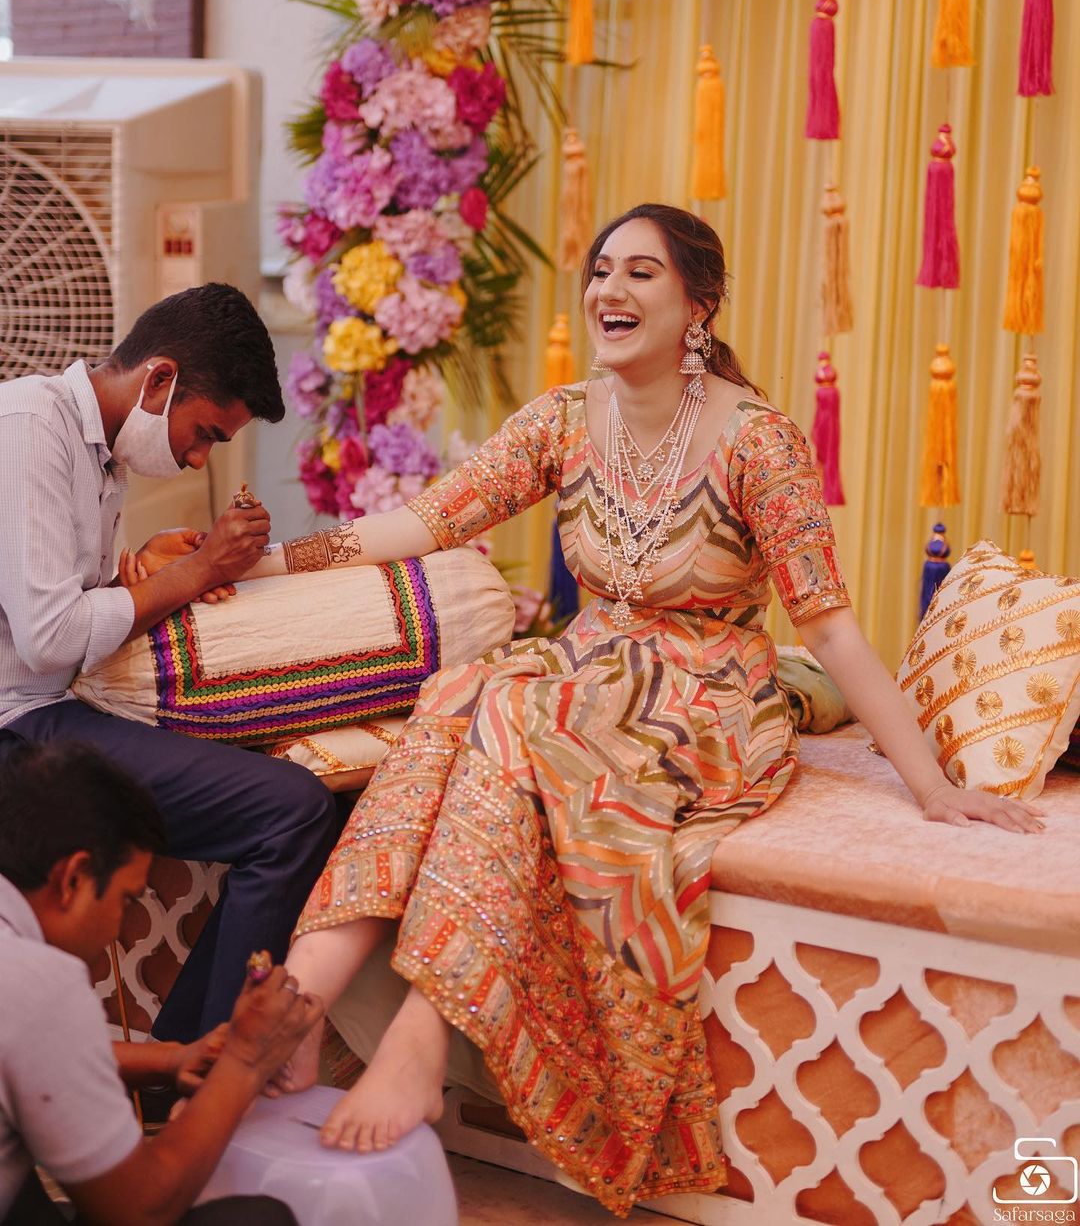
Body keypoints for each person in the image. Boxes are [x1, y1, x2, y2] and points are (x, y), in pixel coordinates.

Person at [144, 207, 1045, 1215]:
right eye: (602, 270)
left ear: (698, 306)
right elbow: (429, 520)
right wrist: (250, 564)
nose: (610, 291)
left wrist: (932, 786)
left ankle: (419, 1036)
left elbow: (830, 631)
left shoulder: (761, 443)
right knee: (464, 697)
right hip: (584, 674)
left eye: (642, 274)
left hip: (707, 700)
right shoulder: (567, 417)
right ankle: (301, 1003)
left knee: (518, 714)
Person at [0, 284, 340, 1044]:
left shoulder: (100, 457)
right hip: (20, 733)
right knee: (291, 810)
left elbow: (48, 599)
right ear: (159, 379)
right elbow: (48, 639)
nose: (196, 458)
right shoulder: (29, 425)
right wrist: (190, 576)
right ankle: (209, 1065)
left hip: (52, 710)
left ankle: (180, 1063)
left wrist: (138, 570)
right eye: (206, 434)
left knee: (309, 790)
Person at [0, 740, 324, 1226]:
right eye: (127, 901)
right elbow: (139, 1209)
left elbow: (23, 1051)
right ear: (73, 880)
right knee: (256, 1219)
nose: (119, 925)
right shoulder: (38, 980)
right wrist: (245, 1061)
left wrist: (171, 1059)